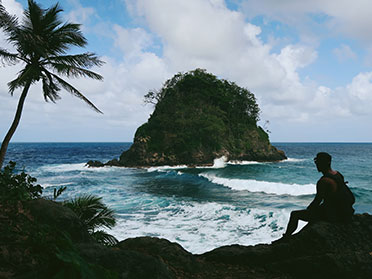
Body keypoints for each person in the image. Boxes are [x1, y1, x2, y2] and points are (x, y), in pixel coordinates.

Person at [283, 152, 355, 237]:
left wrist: (308, 209)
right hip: (342, 211)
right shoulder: (338, 174)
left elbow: (317, 201)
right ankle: (296, 236)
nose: (317, 165)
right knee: (313, 217)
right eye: (317, 162)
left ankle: (286, 236)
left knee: (295, 214)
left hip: (332, 215)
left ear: (326, 163)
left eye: (319, 162)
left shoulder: (323, 181)